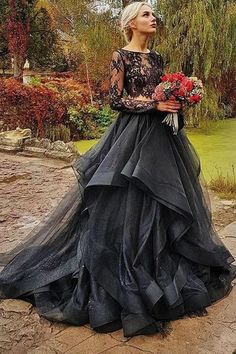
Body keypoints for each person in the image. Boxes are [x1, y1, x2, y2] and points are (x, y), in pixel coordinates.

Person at [0, 1, 235, 338]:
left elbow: (161, 91)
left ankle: (159, 264)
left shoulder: (156, 58)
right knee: (124, 201)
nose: (153, 19)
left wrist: (176, 100)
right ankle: (121, 270)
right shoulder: (119, 56)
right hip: (129, 136)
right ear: (130, 23)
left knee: (163, 201)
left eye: (153, 14)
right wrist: (154, 103)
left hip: (161, 137)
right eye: (145, 15)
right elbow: (115, 99)